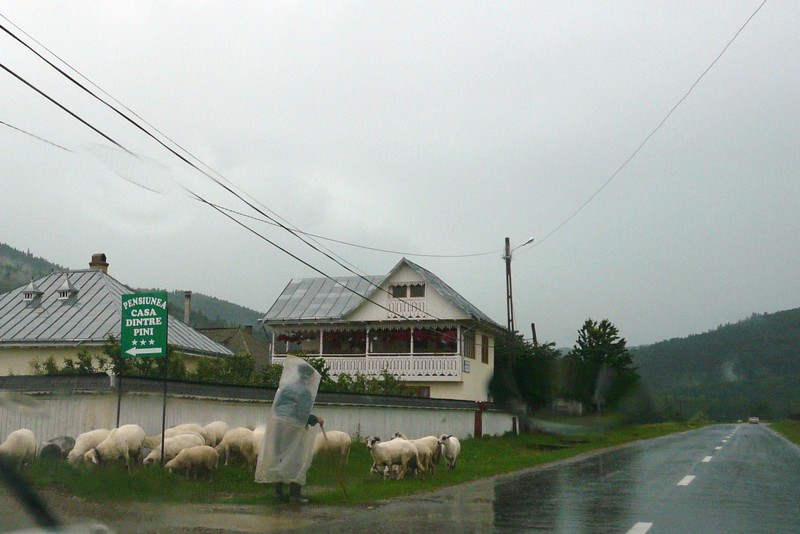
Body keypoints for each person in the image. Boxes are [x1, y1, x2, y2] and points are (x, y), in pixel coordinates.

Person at [255, 356, 324, 504]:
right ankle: (294, 497)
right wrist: (316, 419)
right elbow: (302, 415)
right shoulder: (305, 392)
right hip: (294, 431)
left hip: (278, 428)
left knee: (279, 457)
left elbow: (278, 408)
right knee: (296, 461)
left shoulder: (287, 388)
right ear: (308, 377)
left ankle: (278, 494)